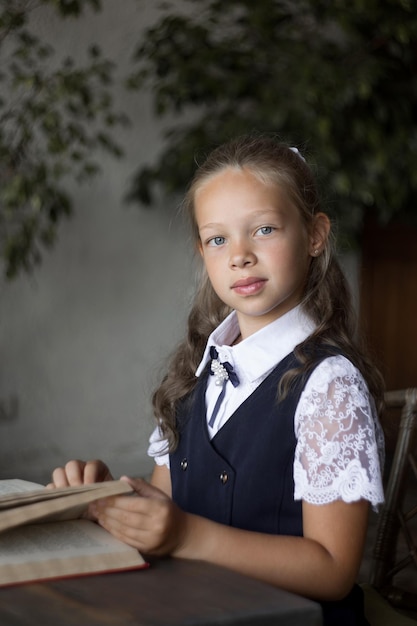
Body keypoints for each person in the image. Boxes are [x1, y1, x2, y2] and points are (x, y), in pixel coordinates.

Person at [50, 135, 385, 626]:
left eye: (265, 229)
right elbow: (168, 505)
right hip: (194, 609)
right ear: (202, 251)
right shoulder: (195, 370)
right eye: (218, 239)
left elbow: (334, 569)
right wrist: (106, 501)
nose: (240, 256)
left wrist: (188, 537)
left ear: (315, 235)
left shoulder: (330, 386)